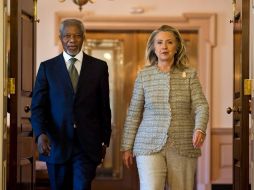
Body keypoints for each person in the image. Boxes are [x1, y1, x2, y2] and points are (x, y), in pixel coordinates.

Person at [121, 25, 209, 190]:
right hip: (147, 143)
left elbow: (201, 105)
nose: (164, 46)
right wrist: (126, 146)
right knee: (151, 187)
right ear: (154, 48)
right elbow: (134, 113)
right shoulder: (144, 75)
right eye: (159, 42)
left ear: (177, 47)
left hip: (183, 144)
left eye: (169, 42)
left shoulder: (190, 74)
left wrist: (200, 129)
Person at [31, 19, 111, 190]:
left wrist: (105, 140)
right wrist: (40, 134)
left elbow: (104, 106)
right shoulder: (47, 68)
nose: (72, 40)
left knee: (81, 186)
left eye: (77, 36)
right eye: (67, 36)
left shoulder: (99, 67)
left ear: (83, 38)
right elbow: (38, 106)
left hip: (87, 145)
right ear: (60, 37)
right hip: (56, 144)